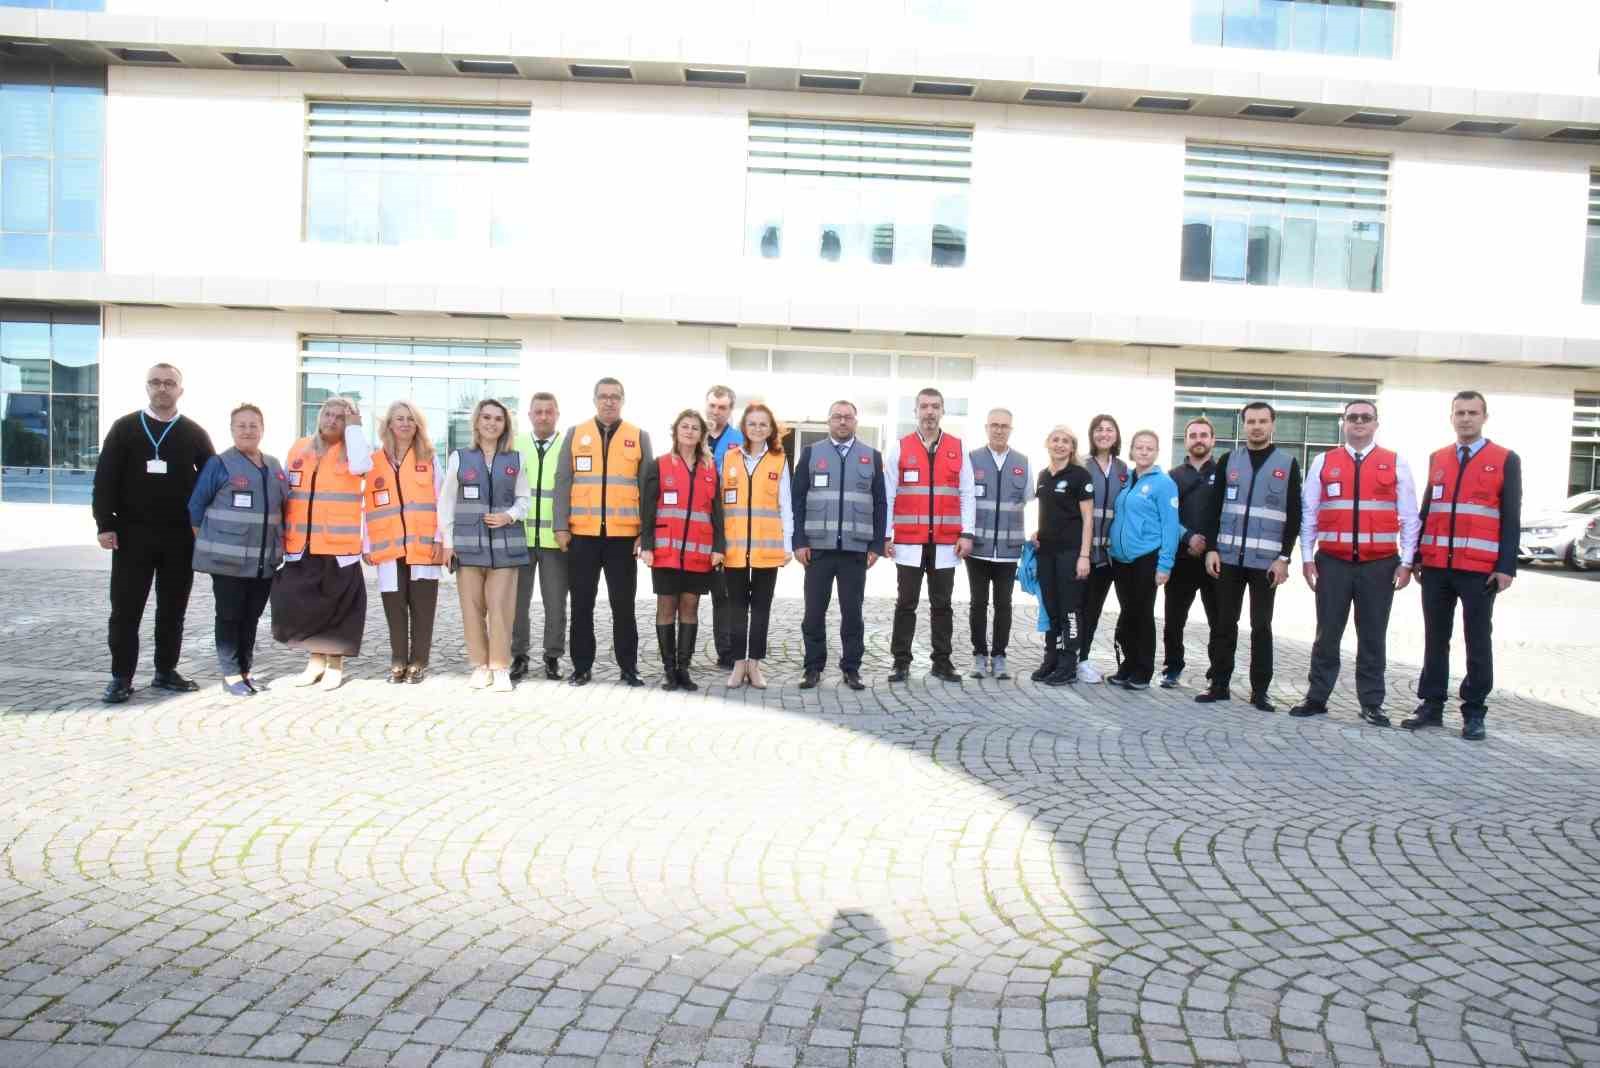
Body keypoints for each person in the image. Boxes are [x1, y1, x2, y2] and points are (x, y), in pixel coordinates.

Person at [1289, 400, 1421, 726]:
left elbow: (1409, 517)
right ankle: (1316, 697)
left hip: (1380, 565)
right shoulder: (1324, 461)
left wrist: (1406, 562)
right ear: (1343, 423)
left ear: (1376, 423)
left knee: (1373, 636)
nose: (1359, 422)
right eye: (1353, 417)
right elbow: (1309, 514)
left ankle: (1372, 703)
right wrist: (1307, 558)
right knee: (1327, 634)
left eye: (1366, 418)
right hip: (1333, 562)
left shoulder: (1395, 463)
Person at [93, 362, 216, 703]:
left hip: (179, 538)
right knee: (125, 609)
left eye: (169, 383)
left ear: (180, 389)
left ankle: (165, 670)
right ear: (147, 388)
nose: (162, 388)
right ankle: (121, 676)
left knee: (173, 609)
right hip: (133, 536)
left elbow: (211, 482)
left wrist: (204, 526)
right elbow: (105, 479)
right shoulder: (125, 428)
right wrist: (105, 524)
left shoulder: (193, 433)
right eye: (155, 383)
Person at [1405, 391, 1521, 741]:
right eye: (1459, 412)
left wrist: (1506, 566)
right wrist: (1418, 557)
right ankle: (1431, 705)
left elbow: (1511, 517)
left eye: (1472, 412)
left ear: (1485, 417)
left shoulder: (1504, 459)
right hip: (1437, 567)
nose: (1465, 418)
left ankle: (1474, 711)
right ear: (1451, 417)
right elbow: (1428, 510)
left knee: (1477, 639)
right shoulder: (1438, 458)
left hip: (1479, 570)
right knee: (1435, 638)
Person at [1198, 401, 1302, 712]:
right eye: (1251, 421)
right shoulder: (1230, 460)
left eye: (1262, 421)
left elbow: (1294, 514)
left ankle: (1260, 692)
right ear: (1244, 425)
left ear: (1273, 424)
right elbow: (1213, 508)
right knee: (1224, 623)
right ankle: (1219, 684)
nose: (1256, 426)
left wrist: (1284, 558)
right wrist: (1212, 549)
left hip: (1265, 562)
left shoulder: (1288, 463)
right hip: (1228, 558)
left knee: (1261, 626)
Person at [554, 377, 652, 687]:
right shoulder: (575, 434)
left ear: (623, 400)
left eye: (615, 396)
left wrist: (644, 534)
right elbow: (562, 482)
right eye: (603, 396)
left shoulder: (638, 436)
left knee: (623, 607)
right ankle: (581, 667)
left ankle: (628, 667)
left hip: (623, 539)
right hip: (582, 536)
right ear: (594, 400)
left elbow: (648, 489)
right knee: (581, 604)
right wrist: (560, 526)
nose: (609, 401)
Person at [272, 395, 373, 691]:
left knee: (339, 608)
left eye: (340, 417)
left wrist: (355, 429)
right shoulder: (299, 447)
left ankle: (335, 664)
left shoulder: (354, 449)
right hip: (302, 543)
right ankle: (314, 662)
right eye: (328, 414)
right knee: (307, 607)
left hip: (338, 545)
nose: (332, 420)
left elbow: (362, 466)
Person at [187, 404, 286, 697]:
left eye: (253, 425)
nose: (248, 430)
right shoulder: (220, 464)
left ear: (262, 429)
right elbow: (195, 509)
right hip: (228, 563)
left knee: (251, 617)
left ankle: (246, 670)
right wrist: (212, 544)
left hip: (264, 561)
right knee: (229, 616)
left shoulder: (274, 465)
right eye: (241, 425)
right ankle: (230, 674)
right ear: (232, 430)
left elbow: (285, 507)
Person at [884, 387, 977, 684]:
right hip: (909, 542)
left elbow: (967, 494)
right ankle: (900, 661)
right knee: (906, 603)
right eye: (924, 406)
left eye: (935, 406)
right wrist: (886, 534)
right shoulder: (900, 448)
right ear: (916, 411)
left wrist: (967, 533)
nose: (929, 412)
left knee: (942, 605)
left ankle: (942, 661)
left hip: (946, 543)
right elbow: (888, 494)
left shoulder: (958, 447)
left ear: (942, 411)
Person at [793, 400, 887, 690]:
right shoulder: (811, 454)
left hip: (855, 551)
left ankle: (851, 668)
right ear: (829, 422)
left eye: (848, 417)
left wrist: (876, 545)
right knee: (813, 613)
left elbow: (881, 503)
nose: (843, 422)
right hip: (818, 550)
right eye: (837, 417)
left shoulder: (871, 456)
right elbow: (796, 500)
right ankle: (812, 667)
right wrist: (799, 542)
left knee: (852, 614)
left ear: (856, 422)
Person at [441, 399, 531, 692]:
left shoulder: (515, 459)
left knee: (502, 608)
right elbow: (446, 503)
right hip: (468, 546)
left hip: (505, 546)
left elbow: (524, 500)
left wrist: (509, 516)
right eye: (486, 418)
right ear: (477, 423)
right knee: (472, 608)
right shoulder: (459, 458)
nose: (492, 423)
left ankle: (500, 666)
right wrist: (447, 542)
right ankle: (480, 665)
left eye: (498, 419)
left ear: (505, 425)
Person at [642, 410, 726, 691]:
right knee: (666, 607)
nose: (689, 431)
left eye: (695, 428)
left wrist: (719, 547)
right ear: (675, 431)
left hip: (698, 553)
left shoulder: (711, 470)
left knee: (690, 607)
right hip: (665, 552)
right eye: (684, 426)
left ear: (702, 434)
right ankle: (668, 669)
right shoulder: (660, 465)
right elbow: (648, 508)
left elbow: (717, 513)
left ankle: (684, 668)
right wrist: (647, 545)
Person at [366, 401, 443, 685]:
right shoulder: (373, 461)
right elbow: (366, 506)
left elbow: (441, 500)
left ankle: (419, 662)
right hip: (388, 548)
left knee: (423, 608)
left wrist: (440, 538)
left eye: (411, 419)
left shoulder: (430, 458)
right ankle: (398, 659)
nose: (405, 423)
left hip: (423, 546)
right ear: (388, 425)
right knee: (394, 605)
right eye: (399, 419)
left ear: (418, 425)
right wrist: (367, 544)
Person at [721, 402, 793, 689]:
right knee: (736, 609)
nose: (758, 428)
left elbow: (785, 505)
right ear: (744, 427)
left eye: (764, 424)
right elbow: (720, 505)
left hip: (767, 549)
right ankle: (739, 663)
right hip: (734, 549)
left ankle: (755, 664)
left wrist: (787, 544)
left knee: (761, 608)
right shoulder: (729, 459)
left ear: (771, 429)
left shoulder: (779, 459)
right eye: (752, 423)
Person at [1106, 431, 1181, 690]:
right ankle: (1127, 664)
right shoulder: (1127, 481)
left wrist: (1165, 565)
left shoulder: (1164, 483)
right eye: (1139, 447)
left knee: (1142, 614)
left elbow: (1171, 527)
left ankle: (1143, 669)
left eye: (1149, 448)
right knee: (1128, 614)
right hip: (1121, 559)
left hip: (1146, 557)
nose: (1144, 451)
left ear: (1156, 452)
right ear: (1132, 450)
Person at [967, 408, 1033, 680]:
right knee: (978, 603)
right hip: (979, 548)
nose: (999, 429)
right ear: (986, 427)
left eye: (1004, 426)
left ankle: (1000, 655)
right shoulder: (971, 460)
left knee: (1003, 604)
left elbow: (1028, 499)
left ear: (1011, 429)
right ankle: (979, 655)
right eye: (994, 425)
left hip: (1008, 550)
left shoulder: (1023, 462)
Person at [510, 392, 569, 682]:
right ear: (530, 415)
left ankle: (553, 657)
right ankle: (518, 656)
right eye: (538, 412)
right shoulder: (516, 444)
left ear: (557, 414)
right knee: (517, 603)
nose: (543, 416)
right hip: (519, 538)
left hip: (555, 540)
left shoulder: (566, 445)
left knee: (555, 603)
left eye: (549, 412)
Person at [1030, 426, 1095, 687]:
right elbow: (1049, 512)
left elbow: (1088, 519)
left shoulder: (1080, 475)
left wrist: (1084, 555)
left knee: (1069, 610)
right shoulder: (1043, 475)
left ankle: (1068, 665)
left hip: (1071, 553)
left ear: (1072, 447)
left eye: (1065, 441)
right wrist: (1038, 531)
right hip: (1046, 552)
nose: (1059, 444)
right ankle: (1051, 659)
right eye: (1055, 440)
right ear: (1047, 443)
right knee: (1051, 608)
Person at [1161, 417, 1219, 688]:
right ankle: (1172, 667)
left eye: (1204, 435)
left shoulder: (1225, 474)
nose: (1198, 439)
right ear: (1185, 441)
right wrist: (1188, 537)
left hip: (1214, 560)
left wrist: (1210, 544)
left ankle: (1217, 674)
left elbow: (1226, 515)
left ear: (1212, 440)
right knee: (1174, 620)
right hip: (1181, 559)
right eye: (1193, 435)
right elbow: (1166, 517)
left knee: (1219, 622)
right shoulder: (1172, 476)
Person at [1078, 414, 1129, 684]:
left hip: (1109, 558)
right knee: (1076, 609)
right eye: (1098, 429)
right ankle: (1068, 658)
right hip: (1083, 554)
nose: (1104, 434)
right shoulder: (1081, 465)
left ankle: (1083, 659)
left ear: (1116, 435)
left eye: (1109, 429)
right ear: (1092, 434)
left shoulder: (1124, 470)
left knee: (1094, 610)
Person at [703, 385, 744, 671]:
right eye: (713, 406)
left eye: (722, 407)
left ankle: (727, 650)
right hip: (695, 523)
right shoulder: (693, 434)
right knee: (687, 593)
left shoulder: (739, 439)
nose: (716, 412)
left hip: (726, 524)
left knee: (724, 593)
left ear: (730, 410)